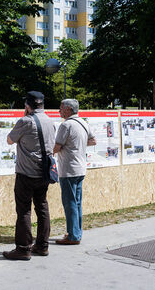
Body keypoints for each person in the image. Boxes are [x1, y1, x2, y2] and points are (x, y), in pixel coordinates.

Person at [3, 91, 55, 260]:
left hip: (26, 173)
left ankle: (23, 248)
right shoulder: (50, 121)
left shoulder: (25, 121)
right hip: (44, 173)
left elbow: (10, 140)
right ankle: (42, 245)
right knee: (42, 207)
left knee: (24, 210)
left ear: (28, 106)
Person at [53, 99, 96, 245]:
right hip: (80, 168)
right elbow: (93, 141)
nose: (59, 110)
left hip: (68, 169)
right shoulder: (83, 122)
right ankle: (76, 233)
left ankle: (72, 236)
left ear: (69, 109)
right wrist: (77, 146)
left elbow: (57, 147)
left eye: (61, 108)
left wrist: (46, 155)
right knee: (77, 202)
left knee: (69, 202)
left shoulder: (66, 125)